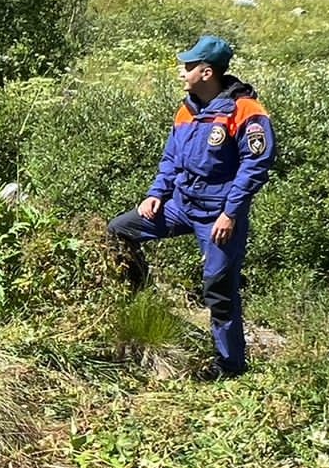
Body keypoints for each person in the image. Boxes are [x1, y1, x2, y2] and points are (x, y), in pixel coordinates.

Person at [107, 35, 276, 379]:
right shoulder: (186, 109)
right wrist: (157, 193)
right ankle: (139, 297)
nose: (182, 72)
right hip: (180, 204)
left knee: (218, 289)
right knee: (118, 230)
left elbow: (255, 166)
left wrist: (230, 213)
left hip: (218, 216)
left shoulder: (247, 111)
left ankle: (230, 368)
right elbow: (171, 158)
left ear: (207, 72)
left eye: (188, 66)